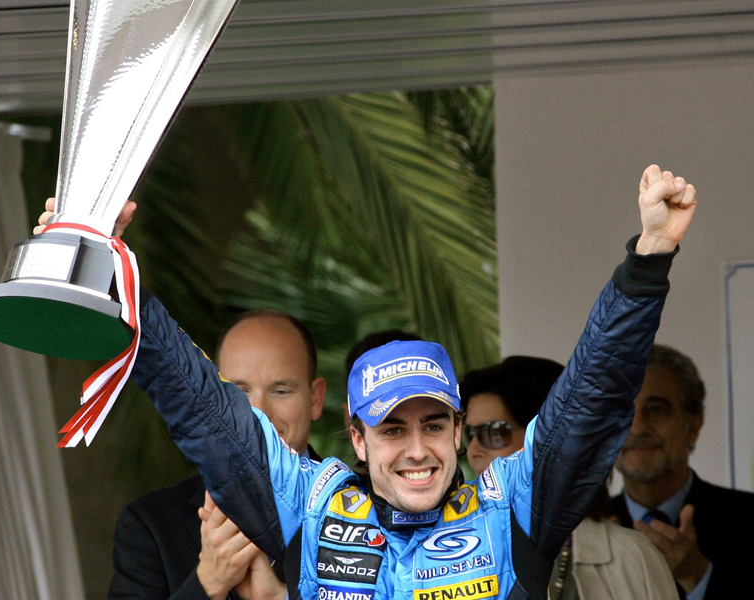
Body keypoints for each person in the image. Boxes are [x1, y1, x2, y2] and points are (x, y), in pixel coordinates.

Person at [125, 164, 695, 600]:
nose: (417, 449)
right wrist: (118, 276)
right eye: (392, 428)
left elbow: (589, 401)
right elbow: (199, 403)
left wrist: (647, 262)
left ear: (455, 430)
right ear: (357, 438)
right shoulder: (312, 505)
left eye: (434, 424)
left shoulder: (508, 509)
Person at [108, 309, 326, 600]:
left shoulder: (368, 514)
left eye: (281, 391)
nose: (258, 413)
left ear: (315, 399)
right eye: (238, 393)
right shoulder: (150, 525)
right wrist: (208, 583)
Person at [460, 356, 679, 600]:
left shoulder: (631, 555)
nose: (473, 451)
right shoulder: (452, 556)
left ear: (551, 440)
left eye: (492, 432)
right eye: (470, 434)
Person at [612, 344, 754, 600]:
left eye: (656, 409)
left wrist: (698, 577)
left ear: (694, 425)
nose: (637, 428)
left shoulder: (747, 520)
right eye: (623, 411)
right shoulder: (583, 533)